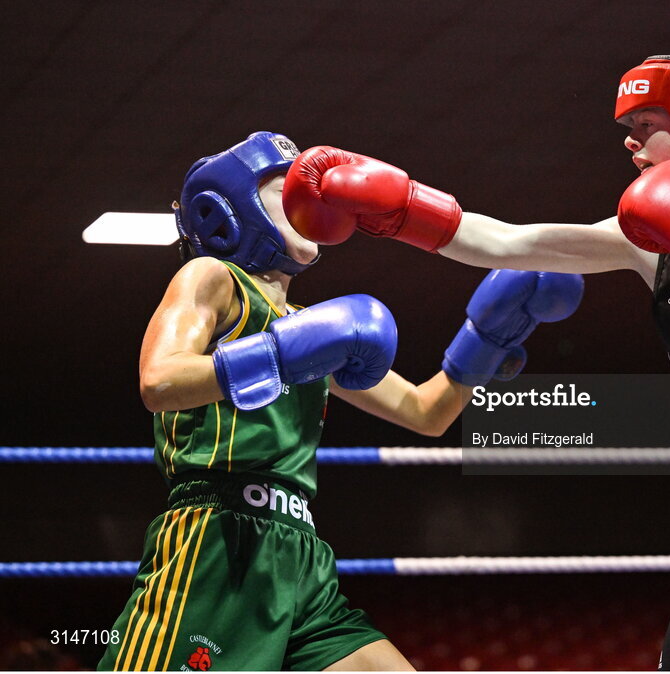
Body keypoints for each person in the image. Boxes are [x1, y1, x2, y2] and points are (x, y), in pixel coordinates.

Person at [281, 50, 670, 670]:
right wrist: (399, 208)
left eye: (646, 125)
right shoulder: (643, 239)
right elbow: (509, 242)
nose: (628, 141)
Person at [97, 132, 583, 671]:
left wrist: (488, 338)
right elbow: (157, 381)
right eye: (289, 191)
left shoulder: (315, 330)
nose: (312, 204)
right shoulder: (212, 278)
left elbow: (427, 413)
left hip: (301, 554)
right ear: (229, 212)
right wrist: (280, 354)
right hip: (217, 536)